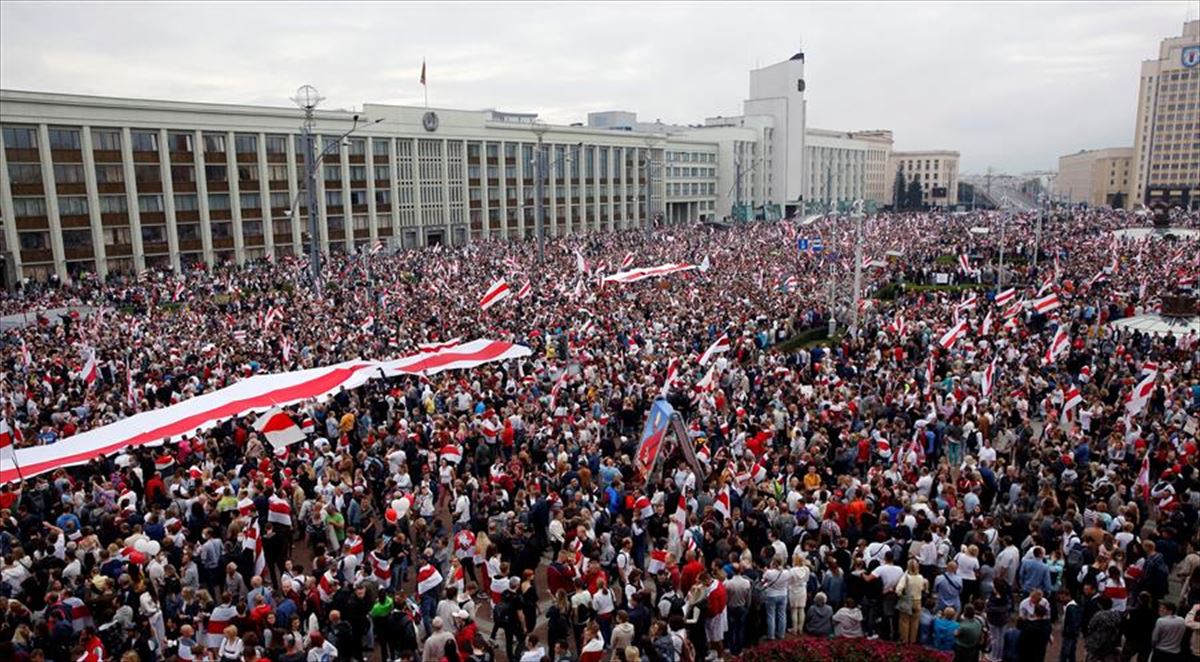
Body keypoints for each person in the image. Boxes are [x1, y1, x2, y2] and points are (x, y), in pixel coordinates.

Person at [896, 559, 928, 644]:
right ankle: (912, 641)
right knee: (915, 622)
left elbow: (898, 590)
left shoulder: (906, 577)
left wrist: (901, 596)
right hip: (918, 601)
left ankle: (904, 641)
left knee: (904, 622)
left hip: (907, 600)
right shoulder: (921, 577)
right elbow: (923, 588)